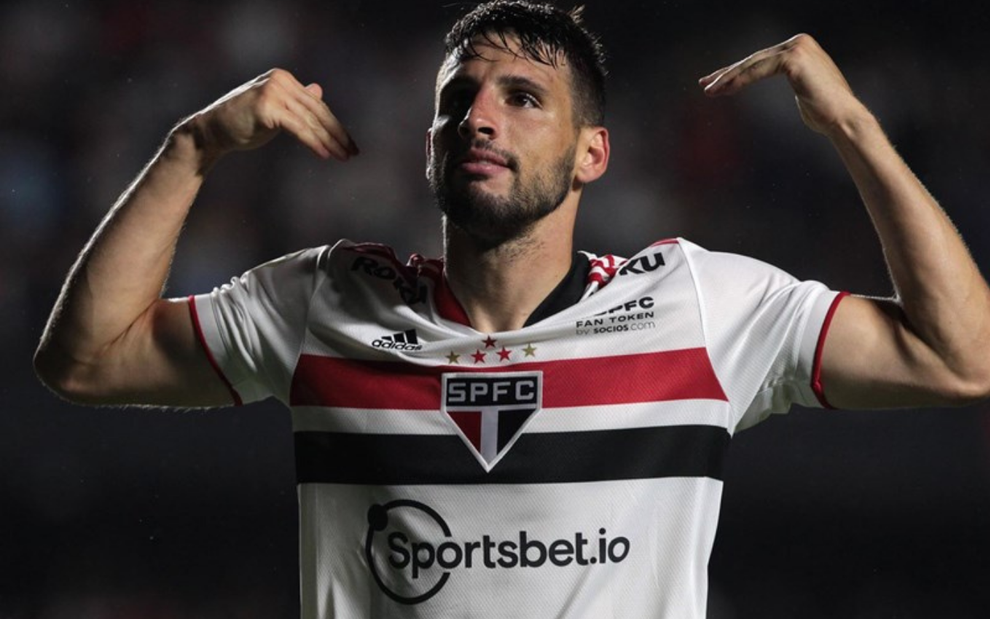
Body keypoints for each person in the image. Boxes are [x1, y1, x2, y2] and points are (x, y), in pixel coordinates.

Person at [34, 1, 990, 617]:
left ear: (592, 155)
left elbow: (963, 358)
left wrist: (854, 128)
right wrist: (192, 146)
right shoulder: (327, 300)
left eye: (525, 98)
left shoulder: (702, 304)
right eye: (460, 101)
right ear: (431, 145)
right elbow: (85, 358)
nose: (480, 117)